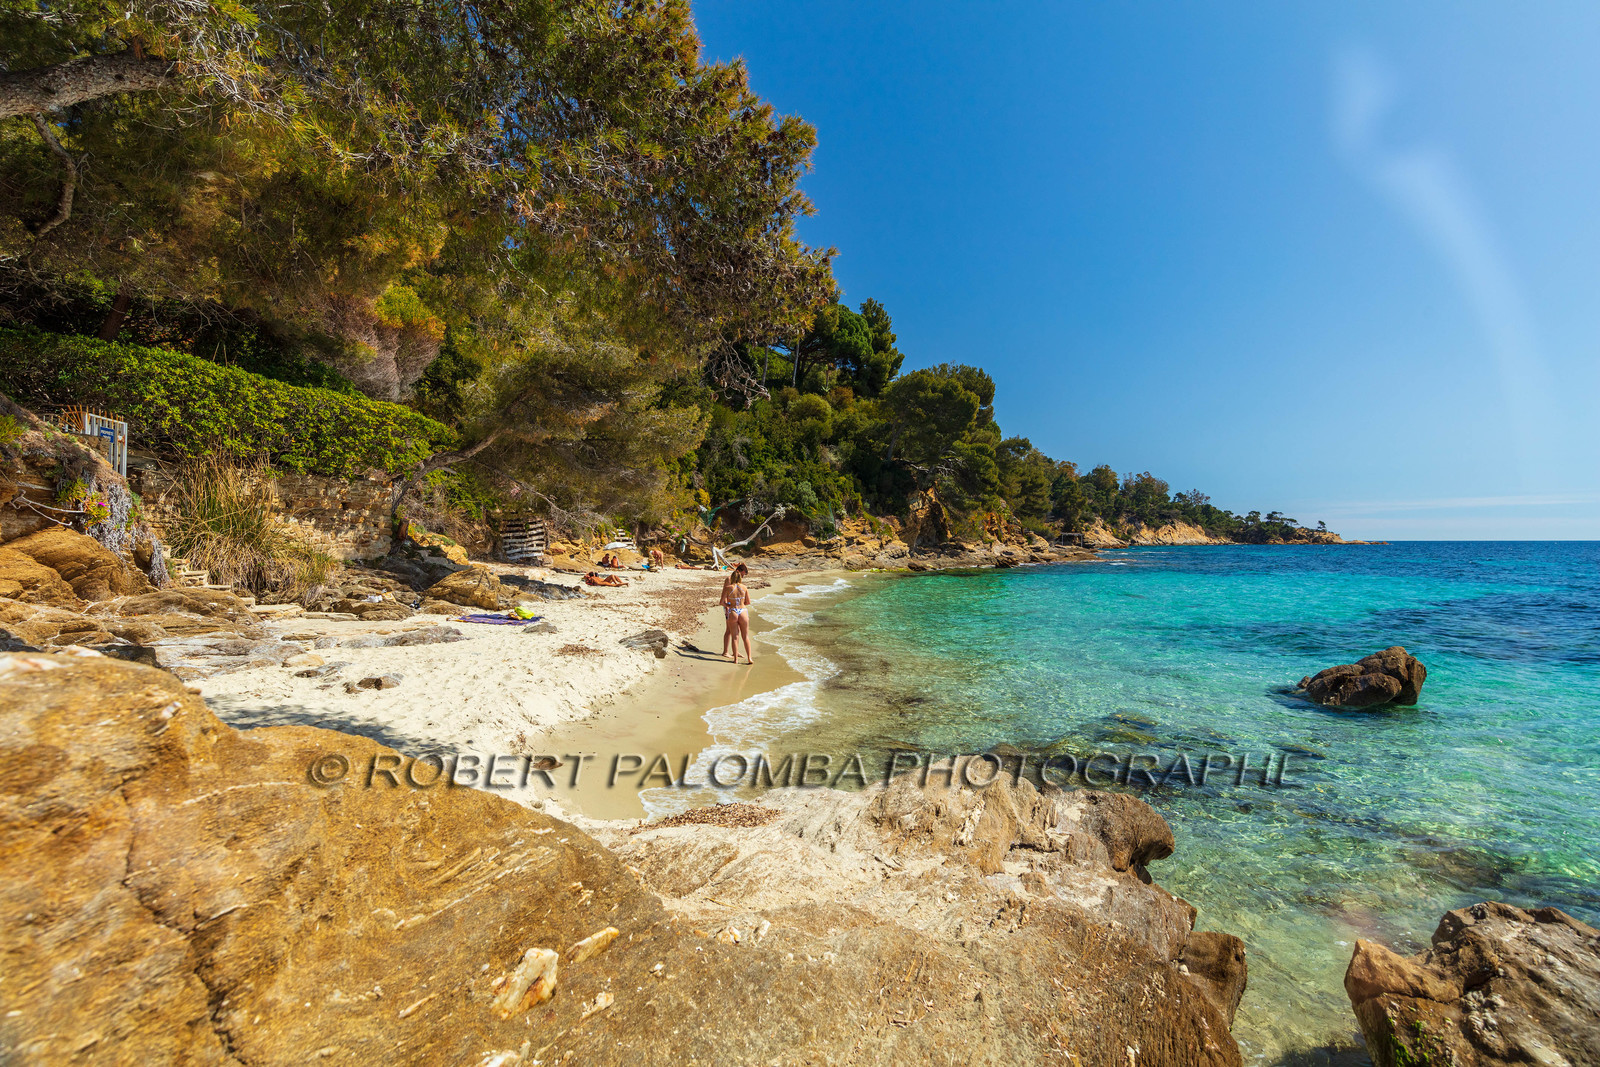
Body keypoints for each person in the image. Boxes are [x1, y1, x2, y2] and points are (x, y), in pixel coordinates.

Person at [720, 562, 753, 664]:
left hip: (732, 608)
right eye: (743, 574)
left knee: (735, 634)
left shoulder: (731, 585)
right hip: (738, 609)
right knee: (731, 631)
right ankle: (726, 651)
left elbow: (722, 599)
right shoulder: (730, 580)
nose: (743, 576)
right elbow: (747, 601)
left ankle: (736, 655)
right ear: (739, 572)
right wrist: (727, 609)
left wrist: (729, 606)